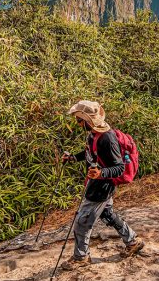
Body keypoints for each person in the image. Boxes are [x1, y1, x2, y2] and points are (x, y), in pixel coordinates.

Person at [61, 100, 143, 269]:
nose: (78, 123)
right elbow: (89, 153)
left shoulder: (107, 138)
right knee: (108, 214)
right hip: (97, 183)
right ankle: (132, 241)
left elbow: (119, 167)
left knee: (82, 222)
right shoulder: (94, 133)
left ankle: (80, 257)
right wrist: (73, 158)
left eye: (79, 120)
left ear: (87, 120)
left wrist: (101, 173)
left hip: (101, 187)